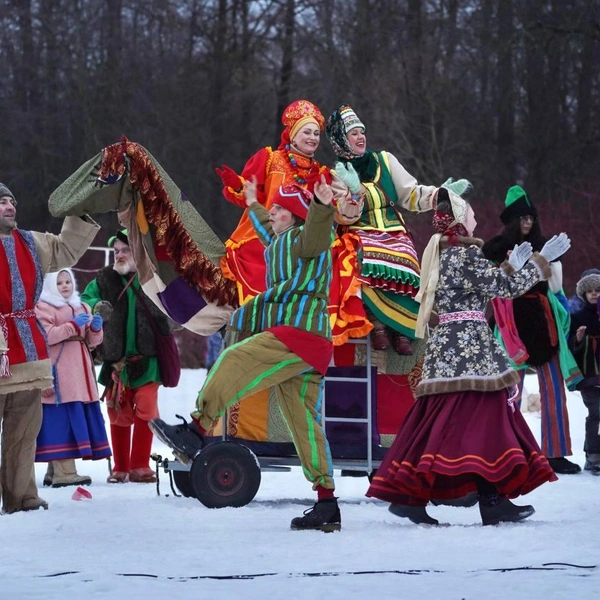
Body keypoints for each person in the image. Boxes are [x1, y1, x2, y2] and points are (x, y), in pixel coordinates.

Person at [366, 185, 566, 525]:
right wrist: (541, 260)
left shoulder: (444, 254)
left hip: (447, 349)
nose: (475, 219)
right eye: (471, 214)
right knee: (486, 419)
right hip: (469, 351)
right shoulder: (465, 254)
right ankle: (489, 500)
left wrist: (509, 266)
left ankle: (418, 496)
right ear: (460, 219)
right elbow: (504, 290)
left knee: (439, 423)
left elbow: (475, 288)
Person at [151, 176, 342, 532]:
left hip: (299, 334)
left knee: (234, 359)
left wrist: (322, 203)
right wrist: (253, 200)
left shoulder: (307, 240)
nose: (274, 213)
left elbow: (318, 225)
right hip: (302, 342)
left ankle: (196, 428)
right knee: (304, 425)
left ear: (297, 216)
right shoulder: (279, 243)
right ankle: (327, 503)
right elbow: (265, 228)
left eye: (281, 209)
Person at [0, 182, 100, 514]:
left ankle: (22, 497)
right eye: (1, 202)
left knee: (23, 432)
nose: (10, 206)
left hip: (27, 352)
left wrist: (78, 206)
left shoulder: (32, 242)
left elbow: (67, 249)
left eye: (12, 200)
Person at [482, 186, 582, 475]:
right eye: (522, 218)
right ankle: (509, 451)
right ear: (512, 221)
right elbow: (492, 287)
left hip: (542, 317)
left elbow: (554, 287)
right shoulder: (495, 248)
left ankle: (556, 453)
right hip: (510, 321)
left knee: (553, 389)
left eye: (530, 218)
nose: (527, 223)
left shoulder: (543, 244)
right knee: (510, 391)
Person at [326, 104, 440, 355]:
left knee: (407, 257)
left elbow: (409, 194)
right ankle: (377, 325)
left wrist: (436, 196)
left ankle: (402, 330)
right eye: (353, 133)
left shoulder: (385, 160)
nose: (360, 137)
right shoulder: (337, 174)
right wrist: (353, 198)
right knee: (360, 258)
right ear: (341, 140)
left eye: (362, 131)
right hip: (359, 231)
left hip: (393, 230)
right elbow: (343, 216)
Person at [81, 230, 174, 484]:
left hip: (149, 358)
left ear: (138, 253)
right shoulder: (104, 279)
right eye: (116, 251)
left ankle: (140, 466)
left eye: (125, 250)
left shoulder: (153, 277)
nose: (120, 255)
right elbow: (85, 301)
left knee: (146, 406)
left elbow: (176, 306)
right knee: (118, 410)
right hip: (116, 362)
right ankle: (121, 467)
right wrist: (96, 307)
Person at [34, 268, 111, 487]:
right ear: (50, 286)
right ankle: (64, 473)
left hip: (80, 372)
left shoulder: (81, 306)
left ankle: (53, 471)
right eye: (59, 283)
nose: (65, 285)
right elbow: (46, 336)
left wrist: (95, 329)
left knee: (73, 414)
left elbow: (91, 341)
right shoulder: (44, 308)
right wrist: (72, 326)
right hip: (60, 371)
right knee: (62, 419)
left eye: (68, 281)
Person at [568, 271, 600, 475]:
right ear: (583, 294)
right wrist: (579, 339)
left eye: (597, 290)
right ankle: (593, 455)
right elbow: (570, 346)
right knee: (596, 412)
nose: (594, 294)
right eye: (589, 291)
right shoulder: (578, 317)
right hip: (589, 373)